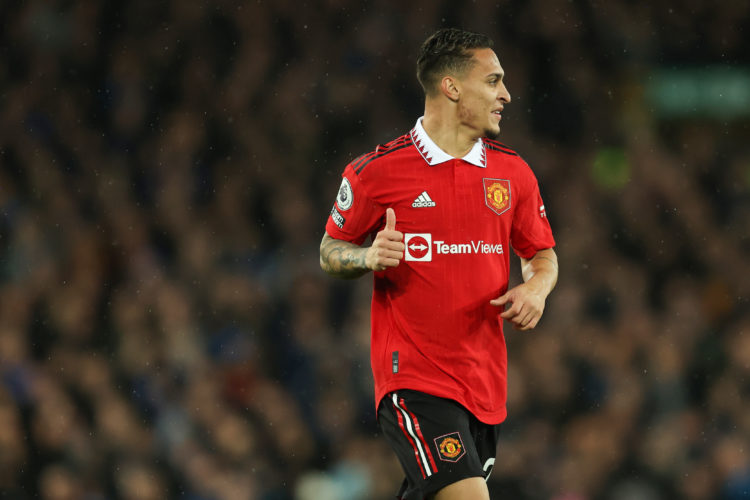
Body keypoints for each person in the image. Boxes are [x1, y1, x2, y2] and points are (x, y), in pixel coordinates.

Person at [319, 28, 558, 500]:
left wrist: (536, 289)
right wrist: (367, 255)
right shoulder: (377, 172)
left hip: (485, 386)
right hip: (414, 381)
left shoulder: (513, 173)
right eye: (493, 81)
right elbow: (329, 250)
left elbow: (541, 255)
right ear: (451, 87)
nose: (505, 95)